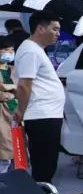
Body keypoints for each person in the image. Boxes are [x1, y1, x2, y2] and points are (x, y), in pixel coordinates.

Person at [13, 11, 65, 182]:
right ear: (40, 28)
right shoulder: (31, 51)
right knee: (44, 164)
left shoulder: (36, 50)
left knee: (48, 163)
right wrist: (20, 111)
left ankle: (44, 192)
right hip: (41, 115)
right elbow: (24, 84)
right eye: (54, 29)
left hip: (47, 114)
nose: (58, 33)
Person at [0, 37, 17, 172]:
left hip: (15, 112)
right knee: (4, 150)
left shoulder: (13, 69)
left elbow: (22, 88)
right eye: (6, 49)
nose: (10, 53)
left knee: (16, 148)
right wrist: (10, 93)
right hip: (2, 114)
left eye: (12, 50)